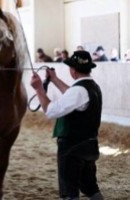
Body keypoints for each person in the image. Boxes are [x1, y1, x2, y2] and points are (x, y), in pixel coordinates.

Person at [30, 51, 104, 200]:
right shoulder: (92, 87)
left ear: (73, 70)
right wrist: (55, 79)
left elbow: (50, 111)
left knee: (70, 193)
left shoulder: (79, 91)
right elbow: (72, 95)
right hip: (90, 146)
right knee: (91, 189)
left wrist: (39, 89)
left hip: (72, 149)